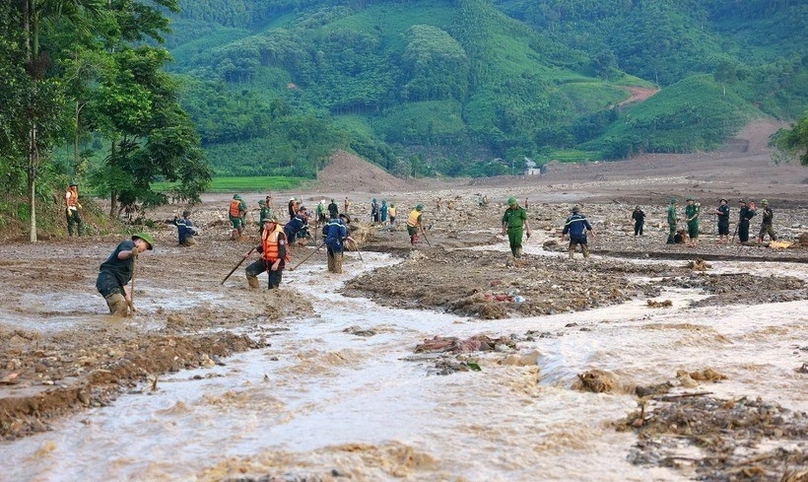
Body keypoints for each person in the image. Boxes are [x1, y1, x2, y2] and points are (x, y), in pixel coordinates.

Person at [95, 233, 154, 316]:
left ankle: (112, 327)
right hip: (108, 280)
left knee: (120, 312)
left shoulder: (131, 258)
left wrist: (131, 304)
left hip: (114, 283)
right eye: (146, 246)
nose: (145, 249)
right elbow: (120, 255)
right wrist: (131, 252)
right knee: (121, 306)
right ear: (140, 241)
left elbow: (123, 284)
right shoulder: (129, 244)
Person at [245, 217, 288, 289]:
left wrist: (276, 263)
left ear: (274, 224)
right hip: (266, 260)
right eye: (265, 223)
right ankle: (255, 291)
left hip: (276, 263)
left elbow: (282, 251)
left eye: (269, 223)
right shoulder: (265, 232)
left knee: (272, 288)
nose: (266, 224)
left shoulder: (280, 235)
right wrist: (250, 253)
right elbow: (263, 246)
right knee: (249, 271)